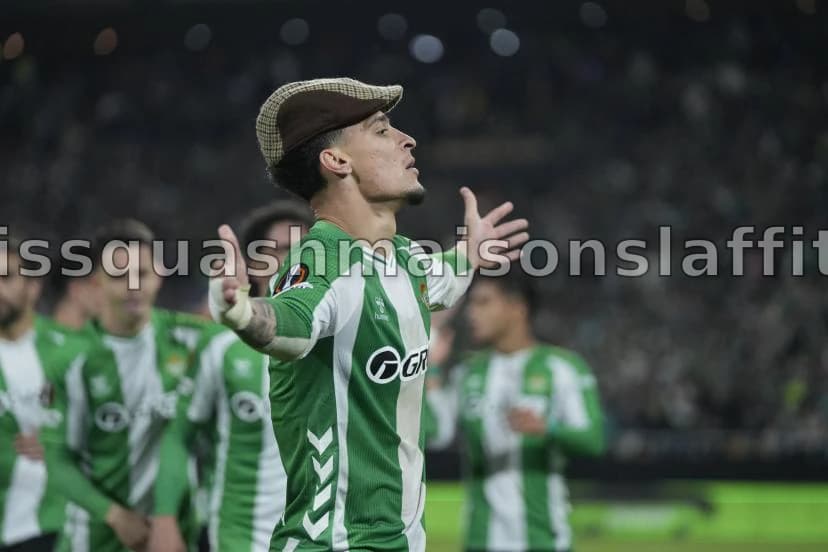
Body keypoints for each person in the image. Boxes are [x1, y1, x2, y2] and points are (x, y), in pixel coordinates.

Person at [208, 77, 529, 551]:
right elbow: (290, 325)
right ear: (336, 161)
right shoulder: (321, 261)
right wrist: (239, 309)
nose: (406, 139)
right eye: (381, 130)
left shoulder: (400, 257)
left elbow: (439, 279)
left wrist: (469, 253)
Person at [41, 219, 212, 552]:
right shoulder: (70, 361)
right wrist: (116, 517)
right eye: (119, 276)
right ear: (96, 284)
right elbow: (57, 461)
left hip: (178, 536)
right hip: (94, 540)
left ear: (160, 274)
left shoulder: (194, 340)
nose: (134, 285)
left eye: (143, 273)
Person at [149, 202, 311, 552]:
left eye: (307, 248)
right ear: (253, 266)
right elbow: (178, 435)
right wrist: (163, 519)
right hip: (240, 539)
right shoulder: (220, 347)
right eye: (282, 249)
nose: (297, 258)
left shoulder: (345, 342)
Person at [426, 270, 606, 552]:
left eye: (484, 302)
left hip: (544, 540)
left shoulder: (562, 368)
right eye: (472, 304)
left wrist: (549, 429)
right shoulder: (469, 373)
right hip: (480, 539)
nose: (472, 314)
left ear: (517, 308)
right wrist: (431, 369)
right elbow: (436, 433)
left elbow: (594, 439)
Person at [0, 235, 85, 552]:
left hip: (50, 528)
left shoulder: (72, 352)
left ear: (33, 287)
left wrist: (62, 441)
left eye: (7, 278)